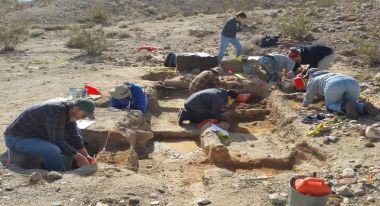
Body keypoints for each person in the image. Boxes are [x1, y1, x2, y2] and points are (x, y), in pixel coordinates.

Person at [4, 98, 96, 171]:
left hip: (36, 135)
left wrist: (85, 155)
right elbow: (56, 139)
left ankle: (66, 166)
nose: (83, 118)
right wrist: (78, 157)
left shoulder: (70, 111)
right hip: (16, 139)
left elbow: (74, 135)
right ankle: (60, 173)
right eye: (84, 115)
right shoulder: (56, 111)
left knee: (76, 132)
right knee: (51, 149)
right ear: (76, 108)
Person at [302, 68, 379, 119]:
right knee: (353, 103)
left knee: (330, 106)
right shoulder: (330, 74)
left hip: (334, 84)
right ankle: (364, 106)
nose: (307, 79)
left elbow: (309, 95)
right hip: (352, 81)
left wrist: (305, 105)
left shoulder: (313, 79)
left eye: (307, 77)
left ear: (310, 75)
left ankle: (345, 106)